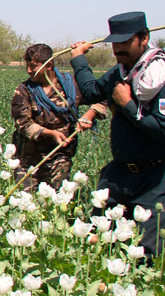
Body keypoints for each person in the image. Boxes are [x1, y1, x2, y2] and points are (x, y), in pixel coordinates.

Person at [70, 12, 165, 256]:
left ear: (144, 38)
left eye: (125, 42)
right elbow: (92, 91)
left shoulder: (161, 77)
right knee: (98, 235)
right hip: (121, 171)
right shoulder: (121, 71)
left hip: (156, 175)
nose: (118, 49)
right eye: (115, 43)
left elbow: (164, 130)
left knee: (146, 250)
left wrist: (127, 104)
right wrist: (79, 59)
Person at [11, 43, 108, 190]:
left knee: (57, 201)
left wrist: (89, 115)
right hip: (27, 159)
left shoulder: (72, 86)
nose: (28, 70)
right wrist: (51, 134)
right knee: (24, 203)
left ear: (48, 65)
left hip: (59, 156)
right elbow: (23, 123)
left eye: (33, 66)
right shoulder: (24, 90)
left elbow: (102, 97)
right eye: (27, 65)